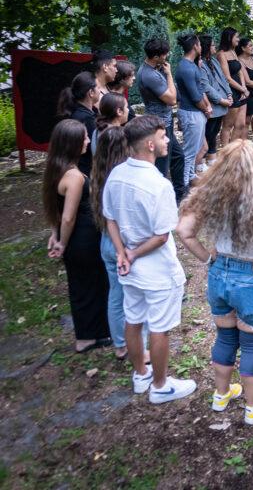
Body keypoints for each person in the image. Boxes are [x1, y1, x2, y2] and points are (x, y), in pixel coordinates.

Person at [176, 140, 253, 424]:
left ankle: (221, 395)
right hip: (250, 276)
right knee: (251, 345)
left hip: (219, 273)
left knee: (224, 337)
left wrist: (207, 259)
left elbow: (184, 231)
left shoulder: (210, 195)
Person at [103, 115, 195, 403]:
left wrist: (121, 252)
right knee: (159, 327)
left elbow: (110, 219)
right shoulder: (159, 185)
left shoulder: (116, 174)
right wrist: (130, 252)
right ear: (150, 144)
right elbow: (161, 235)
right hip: (155, 269)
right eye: (163, 135)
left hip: (129, 268)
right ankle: (160, 384)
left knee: (133, 319)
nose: (168, 139)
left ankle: (140, 373)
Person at [43, 119, 111, 353]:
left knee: (81, 285)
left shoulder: (55, 169)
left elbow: (56, 208)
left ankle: (92, 333)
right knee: (91, 284)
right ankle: (89, 336)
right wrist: (61, 242)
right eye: (83, 137)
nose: (88, 140)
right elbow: (68, 216)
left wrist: (55, 235)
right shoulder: (74, 177)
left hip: (76, 238)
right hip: (83, 237)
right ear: (71, 143)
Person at [91, 127, 148, 360]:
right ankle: (139, 347)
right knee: (136, 297)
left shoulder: (98, 174)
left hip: (106, 240)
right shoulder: (124, 179)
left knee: (116, 294)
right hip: (123, 244)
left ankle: (120, 345)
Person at [135, 38, 185, 202]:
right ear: (156, 56)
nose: (167, 56)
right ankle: (160, 202)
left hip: (166, 121)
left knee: (178, 156)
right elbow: (172, 99)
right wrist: (169, 74)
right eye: (165, 54)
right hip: (159, 124)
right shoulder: (149, 75)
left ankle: (178, 195)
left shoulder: (154, 70)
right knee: (162, 166)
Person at [175, 34, 212, 189]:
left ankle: (190, 177)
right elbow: (195, 95)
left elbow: (199, 89)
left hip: (195, 113)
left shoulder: (191, 66)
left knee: (195, 148)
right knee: (189, 151)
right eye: (200, 45)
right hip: (191, 113)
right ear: (196, 46)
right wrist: (206, 109)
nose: (202, 47)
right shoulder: (186, 68)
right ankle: (183, 185)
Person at [197, 35, 233, 168]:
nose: (215, 46)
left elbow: (223, 79)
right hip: (212, 104)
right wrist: (221, 100)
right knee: (208, 133)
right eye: (212, 45)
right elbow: (205, 87)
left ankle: (212, 158)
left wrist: (229, 94)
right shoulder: (200, 65)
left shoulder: (214, 61)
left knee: (214, 131)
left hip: (222, 103)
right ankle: (202, 161)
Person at [57, 71, 101, 175]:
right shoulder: (87, 119)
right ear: (91, 92)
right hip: (85, 170)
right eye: (98, 88)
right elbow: (94, 148)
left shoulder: (78, 111)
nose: (100, 91)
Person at [218, 28, 249, 146]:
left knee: (241, 124)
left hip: (241, 91)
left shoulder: (234, 52)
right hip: (230, 92)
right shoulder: (221, 54)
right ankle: (226, 152)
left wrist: (243, 88)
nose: (238, 39)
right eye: (236, 37)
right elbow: (227, 78)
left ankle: (233, 149)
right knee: (228, 125)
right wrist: (242, 89)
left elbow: (240, 71)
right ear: (229, 38)